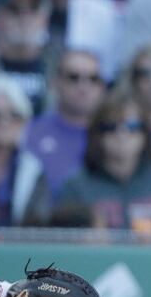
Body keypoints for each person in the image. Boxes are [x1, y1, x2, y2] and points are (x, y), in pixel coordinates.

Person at [56, 92, 151, 231]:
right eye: (111, 127)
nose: (121, 135)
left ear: (145, 134)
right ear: (97, 135)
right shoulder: (76, 187)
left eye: (132, 126)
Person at [23, 48, 106, 201]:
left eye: (93, 78)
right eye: (74, 77)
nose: (84, 86)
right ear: (55, 82)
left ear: (102, 86)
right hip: (42, 222)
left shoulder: (117, 132)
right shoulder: (30, 132)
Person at [0, 73, 48, 226]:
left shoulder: (33, 169)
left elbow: (38, 223)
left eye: (14, 115)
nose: (4, 122)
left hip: (18, 247)